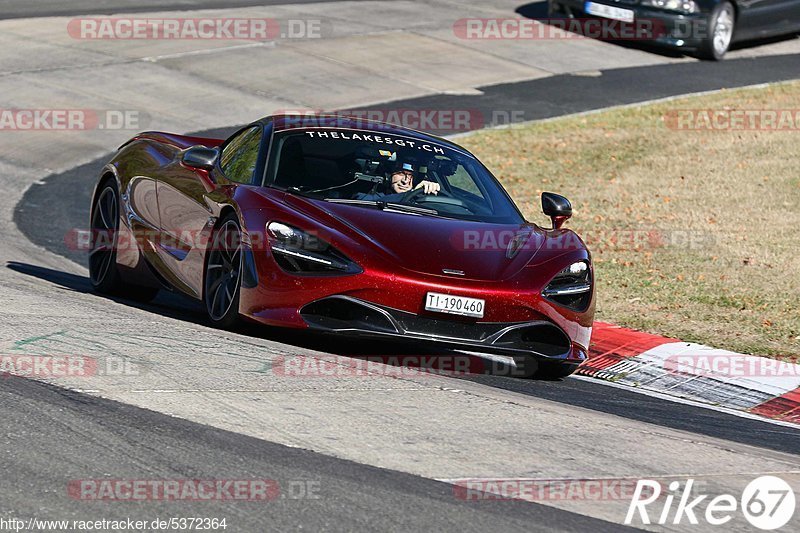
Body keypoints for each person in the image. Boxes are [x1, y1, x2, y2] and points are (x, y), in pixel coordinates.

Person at [354, 162, 440, 202]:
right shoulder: (366, 198)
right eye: (400, 173)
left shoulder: (421, 199)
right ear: (388, 176)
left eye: (410, 175)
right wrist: (412, 193)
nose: (405, 181)